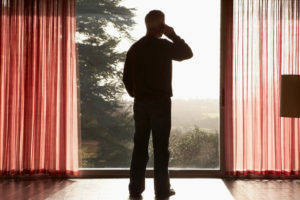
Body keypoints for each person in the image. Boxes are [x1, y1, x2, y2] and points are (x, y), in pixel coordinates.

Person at [123, 10, 193, 199]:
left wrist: (136, 94)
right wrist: (172, 34)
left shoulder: (135, 48)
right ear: (161, 26)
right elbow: (187, 53)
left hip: (140, 103)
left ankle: (135, 189)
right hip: (160, 103)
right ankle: (161, 190)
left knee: (140, 146)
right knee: (161, 148)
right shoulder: (163, 46)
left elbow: (126, 78)